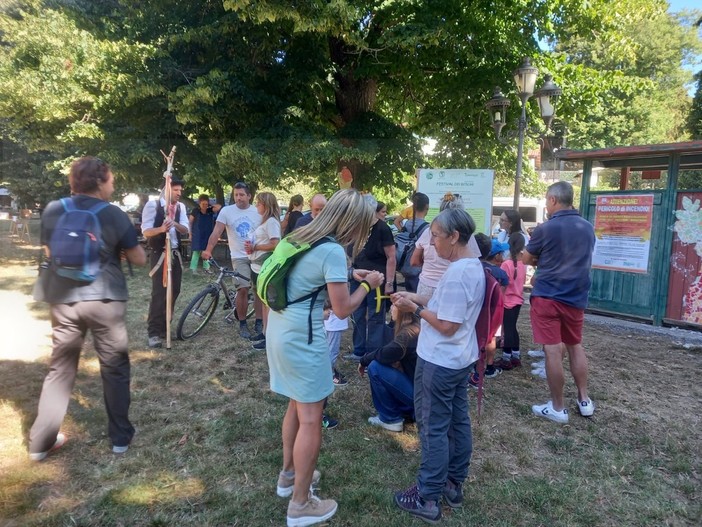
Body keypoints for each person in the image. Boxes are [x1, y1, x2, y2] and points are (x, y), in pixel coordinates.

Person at [265, 189, 384, 527]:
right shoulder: (332, 250)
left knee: (295, 406)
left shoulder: (301, 235)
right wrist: (369, 284)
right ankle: (301, 504)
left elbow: (308, 279)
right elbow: (342, 307)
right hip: (304, 339)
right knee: (312, 419)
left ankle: (288, 476)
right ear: (352, 222)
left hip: (281, 329)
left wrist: (351, 276)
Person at [29, 157, 146, 460]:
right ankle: (120, 438)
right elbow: (139, 259)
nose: (113, 184)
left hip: (63, 298)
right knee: (115, 368)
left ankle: (41, 443)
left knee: (61, 369)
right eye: (111, 180)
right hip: (105, 299)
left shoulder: (54, 209)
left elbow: (50, 252)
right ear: (99, 181)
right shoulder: (114, 214)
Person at [390, 208, 484, 523]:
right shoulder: (470, 267)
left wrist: (413, 310)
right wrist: (415, 298)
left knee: (433, 427)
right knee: (458, 421)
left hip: (440, 360)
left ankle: (427, 496)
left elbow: (446, 324)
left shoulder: (458, 273)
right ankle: (453, 483)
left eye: (436, 236)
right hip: (458, 359)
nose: (431, 243)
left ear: (454, 237)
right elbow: (446, 308)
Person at [523, 181, 596, 424]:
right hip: (576, 297)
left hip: (548, 296)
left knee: (552, 350)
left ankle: (557, 408)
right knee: (575, 345)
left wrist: (539, 261)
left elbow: (526, 257)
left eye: (546, 200)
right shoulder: (587, 227)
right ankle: (584, 400)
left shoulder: (546, 228)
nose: (546, 204)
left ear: (553, 200)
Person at [202, 182, 262, 339]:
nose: (238, 198)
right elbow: (216, 232)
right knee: (243, 288)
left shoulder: (258, 211)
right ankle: (242, 323)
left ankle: (259, 321)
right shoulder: (227, 211)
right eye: (236, 195)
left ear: (249, 196)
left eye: (242, 194)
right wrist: (208, 249)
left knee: (258, 290)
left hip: (257, 255)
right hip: (239, 256)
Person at [142, 178, 190, 348]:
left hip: (175, 254)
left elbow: (185, 229)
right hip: (159, 253)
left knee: (174, 290)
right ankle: (154, 332)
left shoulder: (181, 207)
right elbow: (146, 231)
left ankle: (165, 327)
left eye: (180, 190)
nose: (179, 193)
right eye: (176, 190)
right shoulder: (153, 206)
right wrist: (162, 229)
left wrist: (174, 224)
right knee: (159, 293)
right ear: (166, 190)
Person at [348, 200, 396, 361]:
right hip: (358, 277)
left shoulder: (383, 228)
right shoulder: (357, 227)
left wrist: (389, 283)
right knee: (357, 313)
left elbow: (391, 257)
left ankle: (373, 354)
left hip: (377, 279)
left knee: (376, 315)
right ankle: (359, 350)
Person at [359, 308, 420, 432]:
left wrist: (364, 360)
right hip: (425, 393)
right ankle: (406, 411)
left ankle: (390, 419)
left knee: (375, 367)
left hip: (421, 397)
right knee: (387, 366)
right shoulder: (415, 327)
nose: (391, 308)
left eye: (394, 306)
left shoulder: (409, 334)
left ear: (404, 311)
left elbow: (386, 353)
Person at [412, 193, 464, 299]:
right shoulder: (463, 236)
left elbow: (414, 261)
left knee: (424, 314)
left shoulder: (429, 231)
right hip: (451, 287)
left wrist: (429, 264)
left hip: (426, 285)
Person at [246, 191, 281, 348]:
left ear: (266, 205)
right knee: (263, 301)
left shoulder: (271, 222)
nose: (256, 206)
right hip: (257, 266)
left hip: (264, 267)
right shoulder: (265, 221)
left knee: (267, 303)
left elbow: (275, 244)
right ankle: (265, 332)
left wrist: (256, 246)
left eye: (258, 203)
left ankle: (269, 337)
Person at [496, 232, 527, 371]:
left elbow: (502, 285)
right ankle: (516, 355)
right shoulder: (523, 264)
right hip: (518, 300)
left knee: (507, 329)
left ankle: (506, 358)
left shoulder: (506, 264)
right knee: (513, 328)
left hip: (506, 301)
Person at [397, 192, 430, 292]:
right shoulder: (426, 228)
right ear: (427, 207)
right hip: (417, 270)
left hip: (405, 267)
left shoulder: (407, 223)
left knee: (409, 297)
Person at [188, 194, 221, 275]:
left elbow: (219, 207)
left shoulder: (210, 210)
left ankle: (207, 268)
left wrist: (210, 205)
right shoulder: (195, 211)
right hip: (197, 235)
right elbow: (189, 223)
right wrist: (190, 234)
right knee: (196, 252)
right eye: (203, 204)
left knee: (206, 251)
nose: (205, 206)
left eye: (206, 204)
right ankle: (193, 269)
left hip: (207, 234)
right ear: (199, 203)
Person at [324, 301, 349, 386]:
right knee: (332, 351)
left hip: (333, 322)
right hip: (333, 323)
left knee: (330, 349)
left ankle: (331, 370)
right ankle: (330, 375)